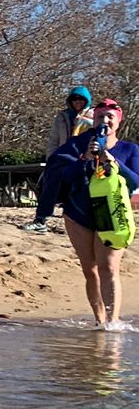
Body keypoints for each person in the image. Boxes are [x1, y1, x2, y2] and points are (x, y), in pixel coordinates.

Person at [42, 100, 139, 328]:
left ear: (119, 121)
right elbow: (63, 175)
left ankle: (112, 323)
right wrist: (85, 157)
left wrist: (113, 161)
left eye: (109, 117)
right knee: (90, 269)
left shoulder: (130, 149)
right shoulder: (77, 145)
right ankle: (100, 320)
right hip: (78, 213)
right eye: (100, 116)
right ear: (93, 120)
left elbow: (135, 181)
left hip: (112, 213)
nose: (104, 121)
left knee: (109, 267)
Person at [31, 87, 95, 232]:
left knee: (81, 191)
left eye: (81, 99)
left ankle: (80, 222)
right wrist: (52, 158)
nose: (77, 102)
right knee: (45, 186)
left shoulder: (94, 116)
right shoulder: (62, 117)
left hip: (83, 159)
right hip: (62, 158)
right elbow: (54, 140)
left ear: (87, 100)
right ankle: (41, 220)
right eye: (74, 99)